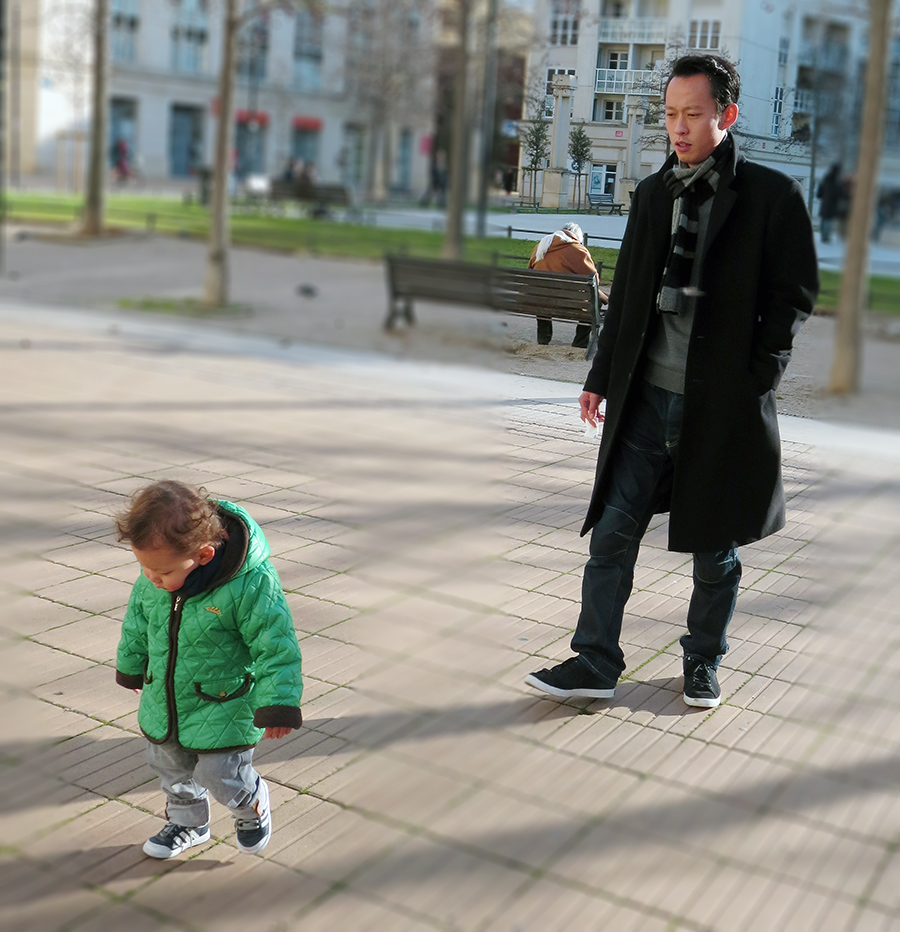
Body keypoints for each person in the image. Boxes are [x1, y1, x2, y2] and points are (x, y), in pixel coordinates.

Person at [525, 54, 818, 709]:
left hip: (720, 408)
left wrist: (757, 380)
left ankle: (703, 660)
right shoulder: (656, 194)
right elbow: (629, 292)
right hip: (645, 400)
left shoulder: (771, 196)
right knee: (612, 535)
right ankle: (595, 660)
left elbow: (793, 296)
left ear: (726, 114)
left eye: (692, 114)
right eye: (670, 114)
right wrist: (600, 376)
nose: (678, 128)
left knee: (714, 552)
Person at [115, 480, 303, 859]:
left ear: (203, 555)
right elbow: (138, 622)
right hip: (165, 699)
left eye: (161, 571)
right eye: (143, 567)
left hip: (223, 702)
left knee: (220, 773)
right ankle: (188, 823)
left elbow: (275, 644)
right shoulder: (155, 577)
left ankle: (251, 803)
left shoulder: (251, 584)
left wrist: (278, 704)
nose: (151, 578)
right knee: (169, 766)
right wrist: (132, 666)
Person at [528, 222, 609, 348]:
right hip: (570, 304)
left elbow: (530, 271)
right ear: (576, 236)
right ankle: (579, 342)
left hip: (541, 300)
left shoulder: (541, 246)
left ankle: (543, 340)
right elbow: (594, 280)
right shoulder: (577, 250)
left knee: (543, 294)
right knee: (594, 301)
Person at [816, 162, 842, 243]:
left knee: (824, 220)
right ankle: (826, 236)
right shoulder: (837, 182)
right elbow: (838, 194)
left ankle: (823, 236)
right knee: (829, 220)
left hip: (825, 203)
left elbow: (819, 193)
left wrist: (821, 196)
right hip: (832, 205)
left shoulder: (826, 179)